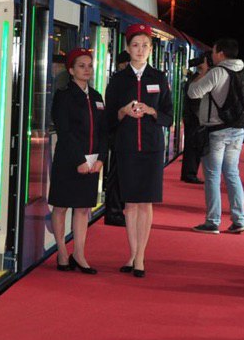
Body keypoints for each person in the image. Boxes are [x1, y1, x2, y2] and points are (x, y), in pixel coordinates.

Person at [104, 24, 173, 277]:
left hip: (152, 148)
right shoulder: (118, 80)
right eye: (135, 45)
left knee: (145, 203)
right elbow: (109, 118)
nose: (140, 50)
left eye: (145, 45)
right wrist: (123, 111)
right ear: (128, 48)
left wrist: (152, 111)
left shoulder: (159, 78)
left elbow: (168, 116)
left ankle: (141, 256)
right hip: (127, 147)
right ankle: (132, 254)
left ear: (151, 49)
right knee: (130, 204)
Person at [49, 48, 106, 274]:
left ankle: (79, 254)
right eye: (81, 66)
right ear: (71, 70)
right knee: (61, 206)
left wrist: (101, 158)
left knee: (83, 209)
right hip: (68, 161)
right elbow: (64, 131)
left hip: (92, 162)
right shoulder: (63, 96)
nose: (87, 70)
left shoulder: (97, 97)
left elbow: (103, 131)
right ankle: (62, 252)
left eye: (89, 66)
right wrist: (78, 160)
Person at [187, 37, 244, 234]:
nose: (211, 55)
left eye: (213, 52)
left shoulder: (218, 72)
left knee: (212, 176)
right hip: (238, 130)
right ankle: (239, 220)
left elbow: (193, 93)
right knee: (232, 173)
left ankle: (213, 221)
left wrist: (202, 73)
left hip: (216, 131)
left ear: (221, 54)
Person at [103, 50, 131, 227]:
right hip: (118, 134)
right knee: (116, 174)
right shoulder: (117, 82)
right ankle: (113, 212)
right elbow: (112, 111)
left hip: (122, 134)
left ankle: (117, 209)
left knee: (120, 174)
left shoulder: (121, 80)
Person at [179, 54, 207, 184]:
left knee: (192, 146)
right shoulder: (196, 78)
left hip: (193, 116)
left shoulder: (194, 77)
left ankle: (189, 173)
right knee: (193, 147)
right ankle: (189, 174)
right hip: (194, 117)